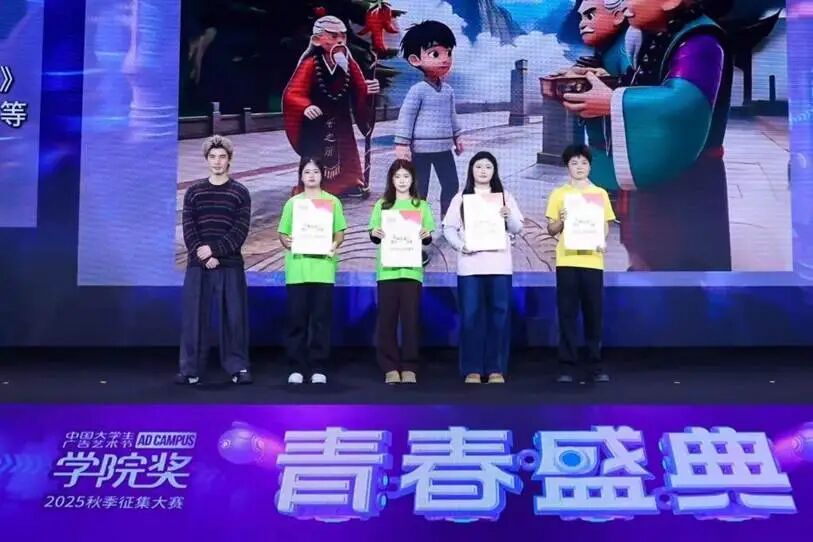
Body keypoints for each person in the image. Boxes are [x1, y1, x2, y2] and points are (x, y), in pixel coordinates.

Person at [562, 0, 732, 271]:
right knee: (644, 252)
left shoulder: (701, 42)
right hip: (653, 171)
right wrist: (608, 80)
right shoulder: (658, 36)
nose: (625, 4)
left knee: (682, 263)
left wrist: (613, 101)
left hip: (688, 181)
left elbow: (684, 102)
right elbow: (646, 83)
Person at [177, 135, 252, 386]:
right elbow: (189, 227)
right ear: (206, 160)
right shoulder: (194, 192)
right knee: (194, 319)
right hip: (198, 265)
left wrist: (215, 251)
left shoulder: (240, 192)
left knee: (234, 319)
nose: (217, 161)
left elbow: (240, 230)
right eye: (212, 157)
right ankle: (190, 369)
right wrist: (203, 254)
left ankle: (238, 367)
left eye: (222, 157)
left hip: (230, 265)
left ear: (229, 160)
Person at [443, 152, 523, 384]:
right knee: (470, 317)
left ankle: (496, 368)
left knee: (499, 316)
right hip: (470, 267)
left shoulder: (505, 197)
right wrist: (461, 246)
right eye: (479, 166)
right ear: (471, 170)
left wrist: (508, 216)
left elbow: (517, 228)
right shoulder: (461, 198)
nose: (483, 171)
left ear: (494, 171)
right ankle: (472, 369)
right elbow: (448, 228)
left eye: (488, 166)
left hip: (499, 265)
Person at [282, 15, 380, 199]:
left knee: (346, 152)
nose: (340, 40)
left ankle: (349, 184)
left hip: (341, 120)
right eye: (334, 36)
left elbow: (360, 88)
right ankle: (311, 187)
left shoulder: (348, 64)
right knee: (314, 153)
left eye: (343, 36)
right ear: (316, 40)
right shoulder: (311, 64)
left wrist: (369, 89)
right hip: (315, 121)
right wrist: (305, 106)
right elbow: (293, 92)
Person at [545, 144, 616, 384]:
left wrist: (601, 240)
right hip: (567, 260)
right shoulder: (559, 194)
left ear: (590, 166)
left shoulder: (600, 194)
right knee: (567, 314)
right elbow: (551, 229)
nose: (579, 167)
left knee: (593, 314)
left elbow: (605, 225)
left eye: (584, 163)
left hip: (593, 261)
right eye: (574, 163)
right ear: (568, 166)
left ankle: (595, 365)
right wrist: (562, 222)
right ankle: (566, 366)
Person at [278, 157, 347, 385]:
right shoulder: (293, 204)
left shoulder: (333, 202)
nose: (311, 176)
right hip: (297, 270)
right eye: (307, 172)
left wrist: (335, 243)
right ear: (301, 175)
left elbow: (339, 232)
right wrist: (287, 241)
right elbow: (283, 233)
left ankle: (318, 366)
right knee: (296, 321)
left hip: (323, 270)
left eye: (315, 171)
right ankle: (296, 367)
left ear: (322, 175)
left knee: (320, 321)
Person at [368, 159, 435, 384]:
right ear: (391, 180)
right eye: (397, 177)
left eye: (406, 176)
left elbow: (428, 238)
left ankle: (409, 366)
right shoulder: (382, 205)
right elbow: (374, 235)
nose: (402, 181)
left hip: (411, 271)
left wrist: (426, 235)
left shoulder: (421, 206)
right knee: (386, 319)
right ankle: (389, 366)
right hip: (387, 271)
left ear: (413, 179)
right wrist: (375, 233)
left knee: (410, 319)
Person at [395, 20, 463, 229]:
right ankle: (416, 225)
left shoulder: (448, 91)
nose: (445, 59)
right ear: (415, 60)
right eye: (435, 54)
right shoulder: (418, 90)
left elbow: (452, 116)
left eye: (448, 53)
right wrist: (402, 144)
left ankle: (447, 220)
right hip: (421, 150)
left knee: (451, 184)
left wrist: (458, 136)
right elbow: (406, 116)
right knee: (419, 188)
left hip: (444, 149)